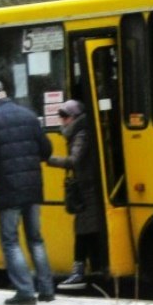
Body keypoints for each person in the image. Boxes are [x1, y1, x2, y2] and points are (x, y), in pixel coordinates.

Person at [0, 80, 55, 305]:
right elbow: (46, 150)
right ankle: (47, 289)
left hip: (7, 189)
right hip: (33, 187)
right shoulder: (29, 116)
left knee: (10, 241)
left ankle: (25, 292)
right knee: (35, 239)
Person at [46, 99, 105, 290]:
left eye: (65, 116)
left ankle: (81, 273)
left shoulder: (82, 133)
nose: (62, 120)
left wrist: (49, 160)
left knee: (84, 233)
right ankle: (94, 271)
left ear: (75, 117)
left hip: (88, 190)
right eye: (61, 116)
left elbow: (74, 160)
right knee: (86, 232)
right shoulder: (77, 132)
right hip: (85, 189)